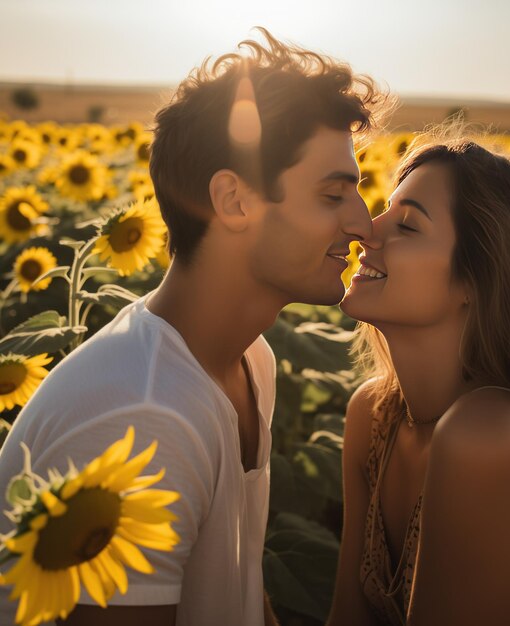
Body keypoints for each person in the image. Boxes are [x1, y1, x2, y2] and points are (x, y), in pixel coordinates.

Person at [0, 29, 391, 626]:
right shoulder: (146, 414)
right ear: (234, 201)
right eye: (332, 194)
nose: (364, 223)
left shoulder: (248, 358)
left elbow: (233, 587)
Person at [327, 135, 510, 625]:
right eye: (384, 209)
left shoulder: (494, 437)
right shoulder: (375, 415)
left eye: (406, 224)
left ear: (477, 280)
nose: (366, 231)